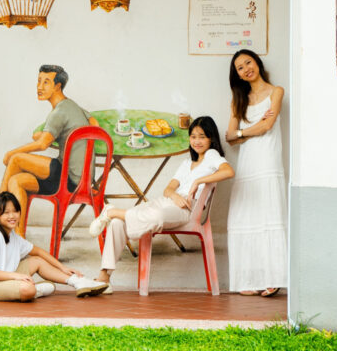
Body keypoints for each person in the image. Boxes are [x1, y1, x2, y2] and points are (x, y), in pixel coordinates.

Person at [89, 116, 234, 292]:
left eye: (202, 136)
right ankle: (104, 277)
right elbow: (168, 189)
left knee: (155, 217)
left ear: (211, 138)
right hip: (169, 202)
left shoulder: (212, 156)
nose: (197, 141)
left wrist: (198, 182)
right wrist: (174, 195)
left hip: (188, 209)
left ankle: (111, 211)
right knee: (119, 223)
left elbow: (228, 171)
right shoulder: (186, 163)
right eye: (193, 136)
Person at [0, 65, 97, 236]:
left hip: (70, 178)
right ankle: (19, 239)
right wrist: (54, 134)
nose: (39, 87)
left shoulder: (59, 112)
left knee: (16, 159)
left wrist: (11, 153)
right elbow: (94, 123)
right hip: (81, 177)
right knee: (16, 181)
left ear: (58, 86)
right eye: (39, 81)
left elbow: (43, 144)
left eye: (46, 82)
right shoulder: (72, 106)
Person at [224, 49, 287, 297]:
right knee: (244, 217)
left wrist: (245, 131)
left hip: (268, 160)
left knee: (269, 215)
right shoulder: (238, 100)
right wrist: (251, 128)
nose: (246, 68)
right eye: (240, 67)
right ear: (237, 75)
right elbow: (230, 137)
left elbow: (268, 126)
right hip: (247, 164)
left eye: (248, 62)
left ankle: (274, 277)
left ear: (257, 63)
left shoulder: (276, 92)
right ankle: (248, 278)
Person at [0, 192, 109, 301]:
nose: (12, 216)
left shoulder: (12, 236)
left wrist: (63, 268)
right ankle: (33, 291)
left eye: (15, 211)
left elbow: (38, 251)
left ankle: (78, 282)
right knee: (28, 289)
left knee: (36, 261)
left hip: (5, 276)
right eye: (6, 213)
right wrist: (16, 277)